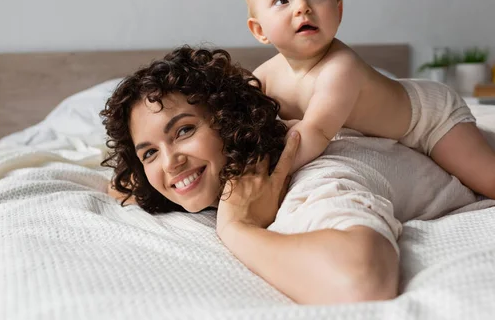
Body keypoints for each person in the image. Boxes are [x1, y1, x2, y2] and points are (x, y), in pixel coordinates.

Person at [100, 45, 485, 305]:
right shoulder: (248, 151)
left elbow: (362, 280)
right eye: (149, 152)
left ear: (228, 120)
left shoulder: (314, 176)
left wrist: (237, 229)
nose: (169, 163)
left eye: (184, 131)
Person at [243, 0, 495, 199]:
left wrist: (260, 175)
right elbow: (238, 111)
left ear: (339, 11)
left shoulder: (340, 69)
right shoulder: (265, 75)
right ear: (260, 30)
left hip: (430, 119)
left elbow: (314, 133)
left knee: (487, 178)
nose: (303, 7)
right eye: (282, 0)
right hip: (404, 113)